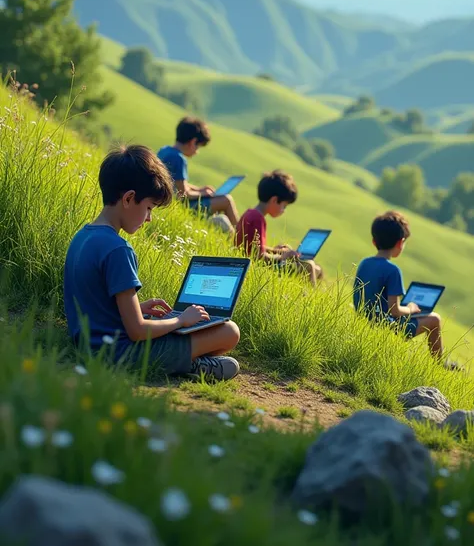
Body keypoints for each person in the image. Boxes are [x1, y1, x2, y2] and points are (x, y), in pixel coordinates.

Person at [63, 145, 240, 381]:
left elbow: (93, 303)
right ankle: (190, 365)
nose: (149, 218)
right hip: (123, 356)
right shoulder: (118, 249)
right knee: (229, 331)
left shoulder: (82, 236)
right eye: (148, 208)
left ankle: (187, 361)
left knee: (186, 328)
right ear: (128, 198)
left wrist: (137, 309)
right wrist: (179, 320)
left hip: (90, 348)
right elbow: (136, 331)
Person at [353, 210, 453, 366]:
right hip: (386, 328)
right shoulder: (393, 270)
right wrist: (412, 308)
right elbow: (395, 310)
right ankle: (439, 365)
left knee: (425, 316)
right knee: (434, 319)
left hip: (364, 323)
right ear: (400, 243)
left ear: (374, 241)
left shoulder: (364, 262)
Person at [235, 170, 323, 286]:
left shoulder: (250, 213)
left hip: (248, 262)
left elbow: (252, 247)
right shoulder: (258, 219)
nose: (284, 211)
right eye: (284, 206)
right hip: (257, 267)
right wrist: (283, 256)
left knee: (316, 269)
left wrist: (275, 250)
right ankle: (310, 298)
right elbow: (258, 257)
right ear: (274, 200)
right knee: (309, 265)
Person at [158, 117, 239, 230]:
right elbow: (183, 194)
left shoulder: (165, 150)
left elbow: (177, 184)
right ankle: (243, 237)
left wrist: (200, 189)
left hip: (167, 199)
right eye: (198, 146)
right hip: (184, 207)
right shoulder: (179, 159)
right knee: (226, 200)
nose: (197, 151)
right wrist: (203, 194)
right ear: (193, 142)